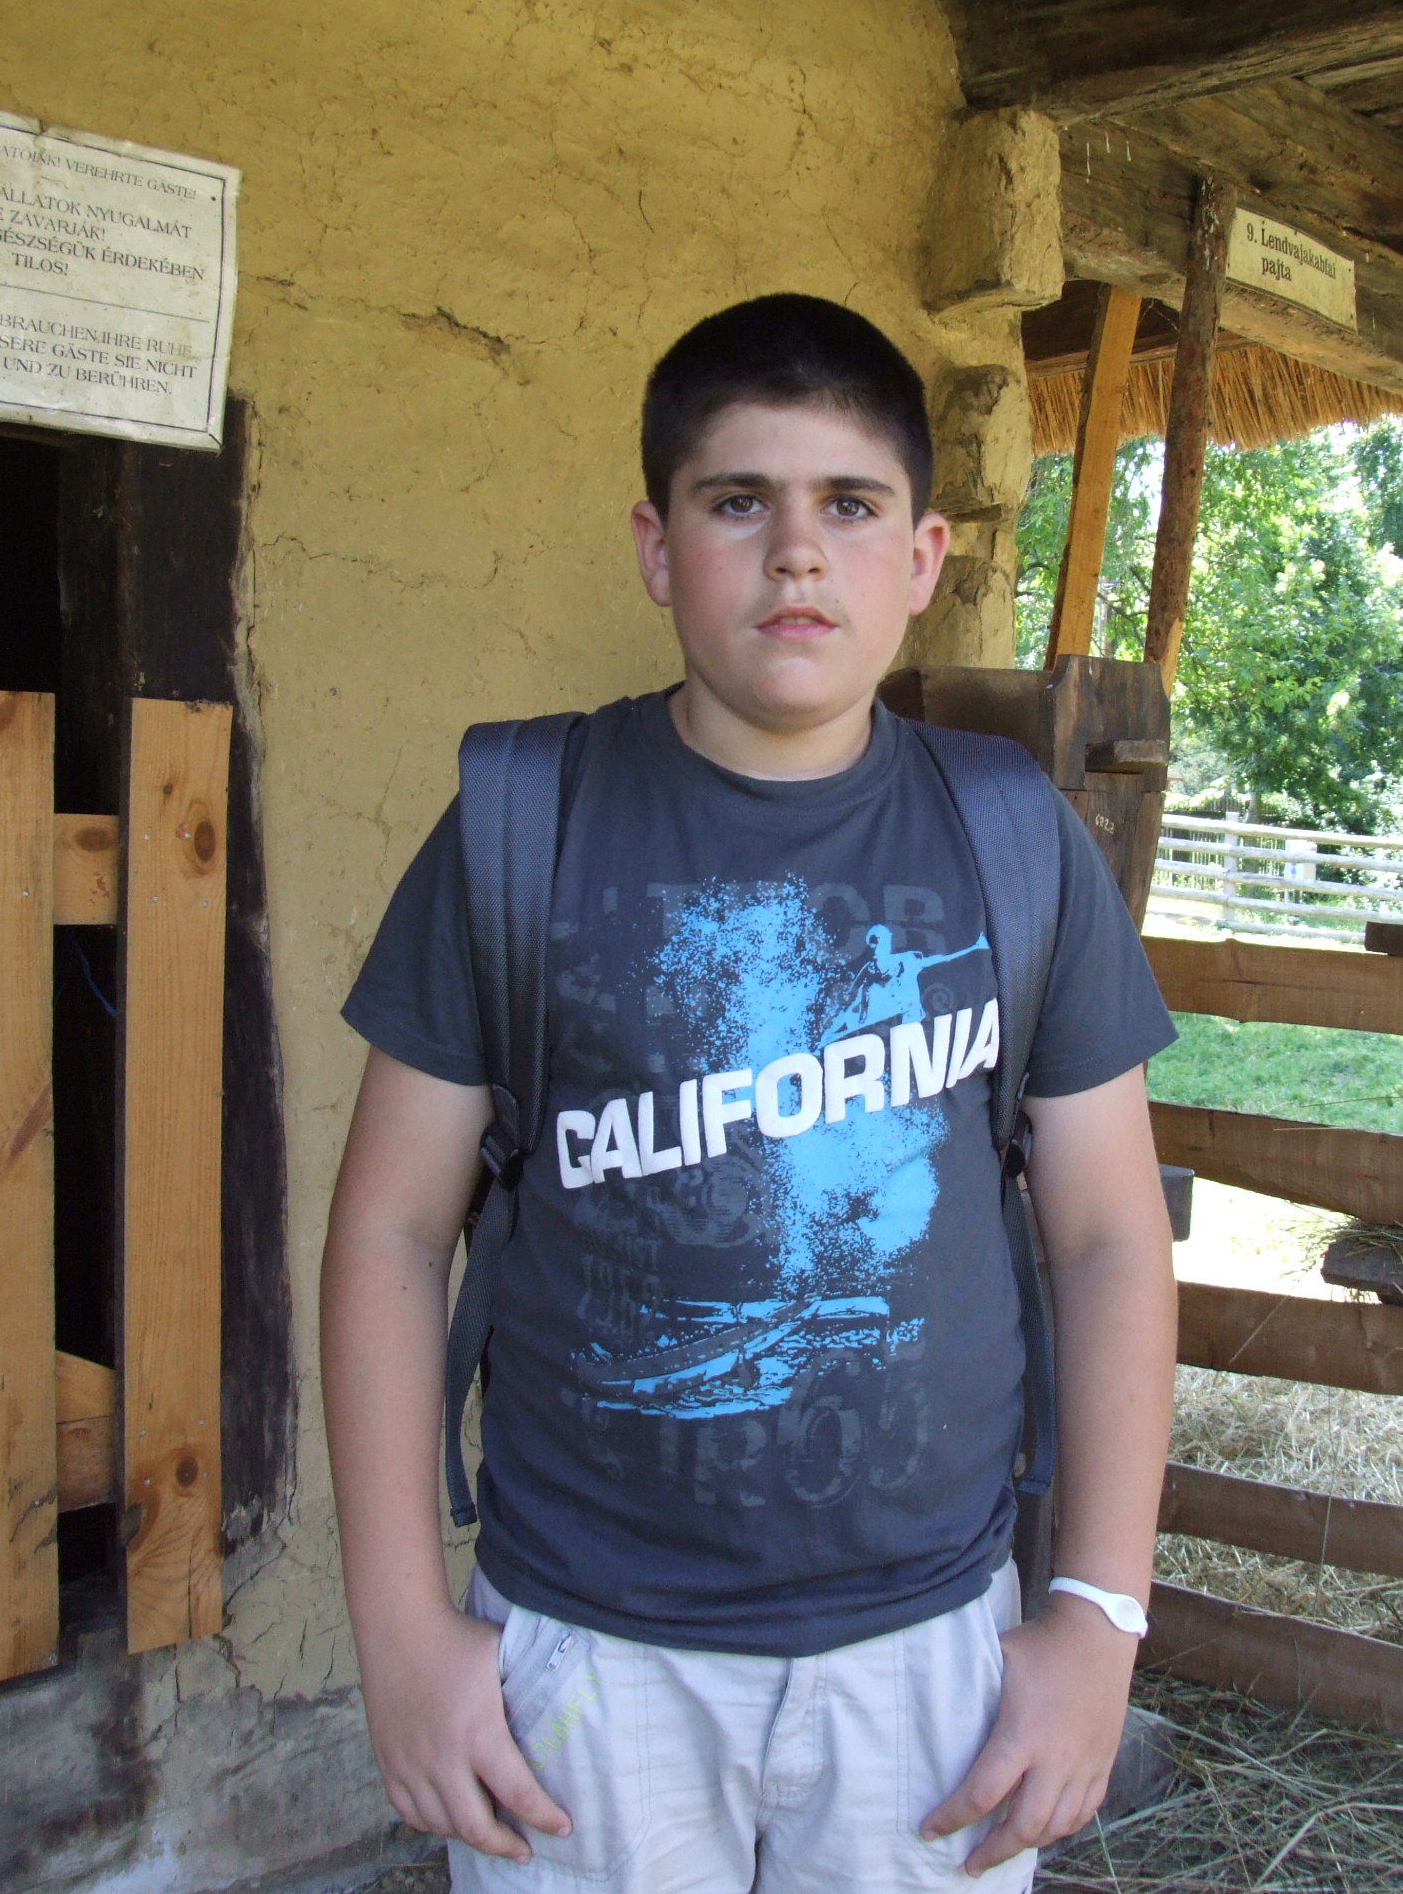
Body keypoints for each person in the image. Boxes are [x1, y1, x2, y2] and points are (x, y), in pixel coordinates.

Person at [322, 292, 1179, 1893]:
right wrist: (398, 1624)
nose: (797, 554)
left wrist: (1098, 1614)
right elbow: (389, 1230)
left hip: (932, 1656)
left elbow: (1111, 1239)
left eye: (849, 505)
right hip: (587, 1652)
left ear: (921, 558)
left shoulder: (1014, 842)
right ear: (658, 549)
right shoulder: (521, 827)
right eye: (739, 502)